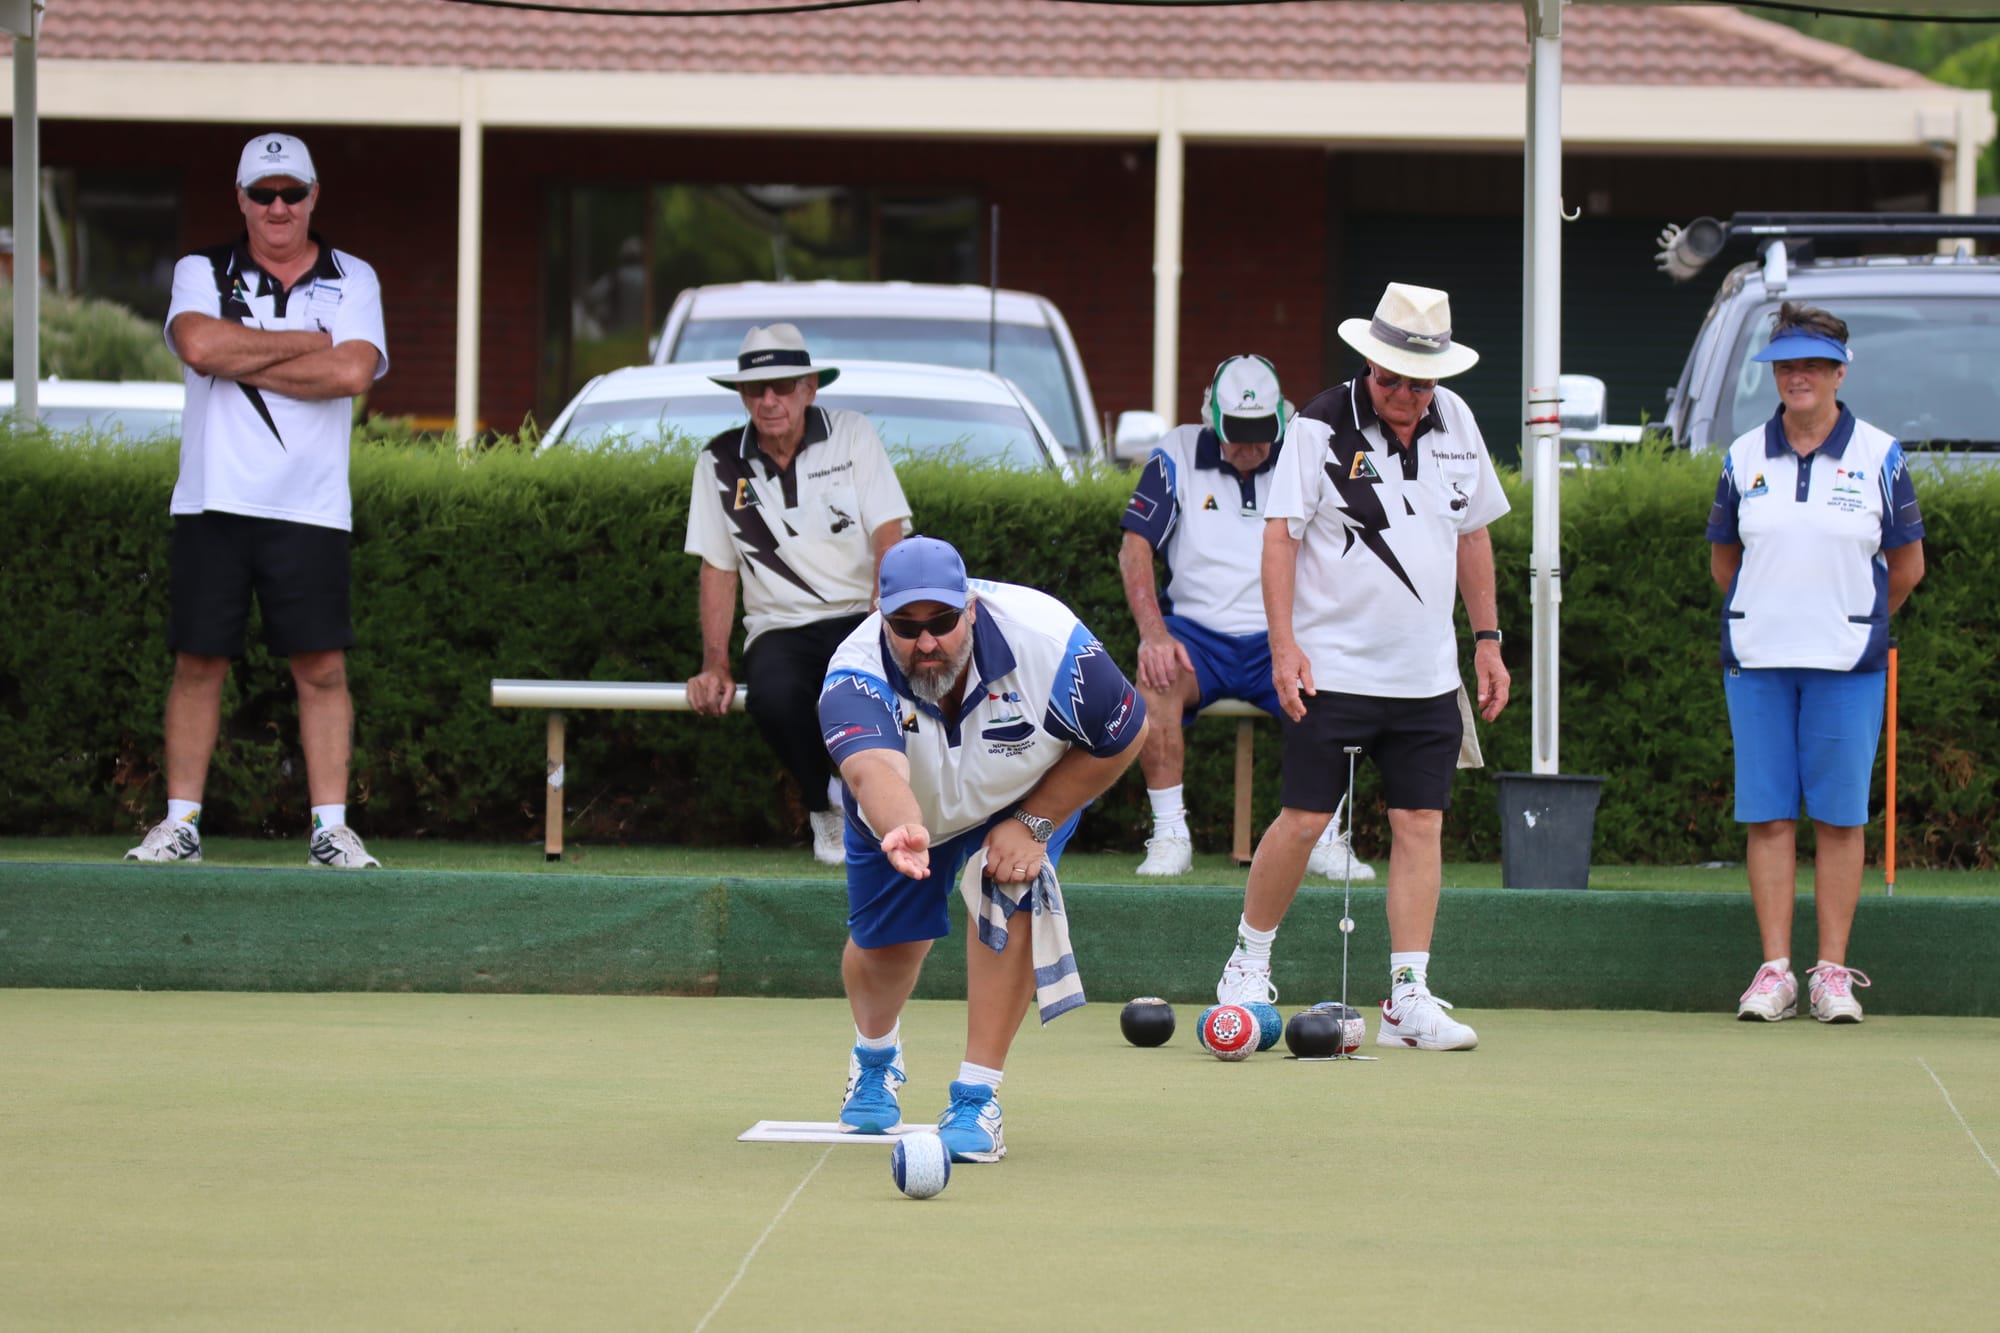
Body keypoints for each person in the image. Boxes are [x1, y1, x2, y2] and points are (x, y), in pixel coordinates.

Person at [1211, 282, 1510, 1051]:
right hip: (1332, 668)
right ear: (1368, 365)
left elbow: (1473, 535)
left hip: (1427, 676)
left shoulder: (1459, 422)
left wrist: (1488, 638)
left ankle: (1407, 996)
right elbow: (1280, 537)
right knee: (1305, 820)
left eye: (1418, 381)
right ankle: (1246, 961)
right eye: (1389, 378)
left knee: (1421, 824)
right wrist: (1283, 645)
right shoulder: (1316, 424)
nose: (1403, 394)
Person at [818, 536, 1147, 1160]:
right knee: (887, 948)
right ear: (880, 617)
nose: (927, 641)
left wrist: (1035, 821)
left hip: (1022, 793)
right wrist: (904, 826)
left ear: (969, 608)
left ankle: (977, 1097)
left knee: (1009, 891)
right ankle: (875, 1057)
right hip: (910, 814)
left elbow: (1126, 733)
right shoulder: (852, 671)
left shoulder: (1053, 645)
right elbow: (872, 773)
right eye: (906, 626)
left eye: (941, 621)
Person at [126, 133, 389, 868]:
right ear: (240, 200)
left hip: (310, 506)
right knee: (198, 663)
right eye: (263, 193)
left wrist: (249, 352)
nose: (279, 207)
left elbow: (354, 369)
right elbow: (200, 349)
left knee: (322, 669)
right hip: (212, 500)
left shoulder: (353, 277)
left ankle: (330, 830)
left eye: (292, 192)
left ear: (314, 197)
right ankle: (180, 825)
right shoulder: (198, 268)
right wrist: (306, 342)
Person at [1707, 302, 1924, 1025]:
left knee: (1837, 817)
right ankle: (1775, 972)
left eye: (1811, 364)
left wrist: (1851, 618)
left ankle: (1831, 973)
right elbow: (1725, 560)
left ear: (1839, 371)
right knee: (1768, 814)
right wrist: (1765, 612)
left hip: (1847, 661)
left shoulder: (1882, 455)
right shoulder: (1742, 456)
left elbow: (1906, 566)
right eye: (1785, 365)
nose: (1797, 376)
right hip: (1759, 658)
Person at [1119, 353, 1372, 881]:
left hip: (1282, 634)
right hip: (1196, 637)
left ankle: (1325, 838)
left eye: (1262, 434)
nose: (1251, 448)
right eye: (1238, 434)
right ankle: (1170, 834)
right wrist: (1153, 635)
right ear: (1211, 416)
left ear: (1283, 417)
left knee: (1334, 685)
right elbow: (1135, 549)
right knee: (1155, 678)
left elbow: (1345, 542)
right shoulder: (1177, 451)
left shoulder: (1306, 449)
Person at [685, 323, 911, 865]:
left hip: (861, 614)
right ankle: (825, 810)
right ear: (741, 395)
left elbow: (889, 529)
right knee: (775, 696)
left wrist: (887, 603)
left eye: (783, 386)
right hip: (779, 627)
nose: (769, 400)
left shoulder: (852, 434)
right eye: (756, 388)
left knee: (903, 694)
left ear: (809, 388)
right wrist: (715, 664)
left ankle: (904, 813)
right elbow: (718, 569)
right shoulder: (718, 461)